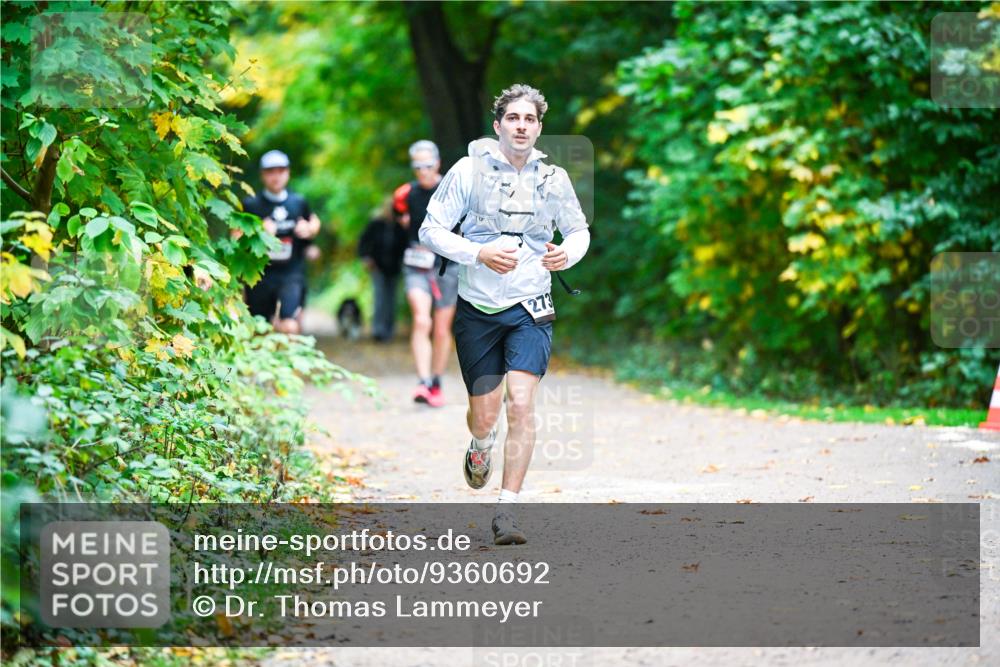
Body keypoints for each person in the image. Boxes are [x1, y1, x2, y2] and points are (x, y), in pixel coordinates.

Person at [419, 84, 590, 545]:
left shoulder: (554, 179)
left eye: (529, 119)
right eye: (513, 118)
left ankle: (507, 511)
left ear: (538, 127)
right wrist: (478, 253)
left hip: (531, 305)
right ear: (498, 126)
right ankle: (479, 445)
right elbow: (430, 229)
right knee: (485, 415)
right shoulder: (467, 172)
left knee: (521, 403)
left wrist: (566, 257)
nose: (521, 126)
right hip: (478, 308)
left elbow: (578, 231)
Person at [400, 140, 460, 408]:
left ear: (437, 163)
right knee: (422, 321)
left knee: (440, 328)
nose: (422, 171)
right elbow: (399, 217)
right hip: (416, 264)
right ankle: (422, 381)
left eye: (427, 165)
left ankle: (436, 381)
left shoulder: (453, 189)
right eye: (417, 166)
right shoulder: (405, 194)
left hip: (447, 265)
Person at [242, 150, 321, 334]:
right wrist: (258, 232)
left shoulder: (298, 202)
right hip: (260, 274)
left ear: (288, 173)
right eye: (270, 172)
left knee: (290, 325)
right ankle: (265, 362)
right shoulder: (251, 205)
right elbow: (235, 237)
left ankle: (291, 362)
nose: (276, 176)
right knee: (260, 329)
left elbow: (314, 221)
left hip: (291, 272)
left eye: (280, 171)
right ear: (263, 175)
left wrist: (310, 230)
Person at [358, 195, 409, 342]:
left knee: (392, 299)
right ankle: (378, 329)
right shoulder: (376, 224)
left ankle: (389, 330)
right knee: (380, 297)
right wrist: (366, 257)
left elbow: (405, 244)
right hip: (377, 266)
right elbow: (364, 242)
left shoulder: (400, 226)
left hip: (394, 267)